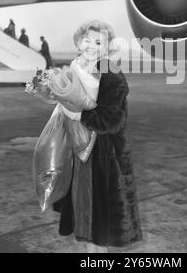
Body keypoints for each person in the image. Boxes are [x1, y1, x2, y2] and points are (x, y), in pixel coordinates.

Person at [52, 20, 142, 253]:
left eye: (99, 42)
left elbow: (113, 120)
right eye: (88, 40)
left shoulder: (111, 75)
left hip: (104, 158)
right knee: (85, 219)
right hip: (80, 152)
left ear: (107, 47)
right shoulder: (74, 68)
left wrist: (79, 114)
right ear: (79, 41)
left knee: (100, 224)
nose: (92, 46)